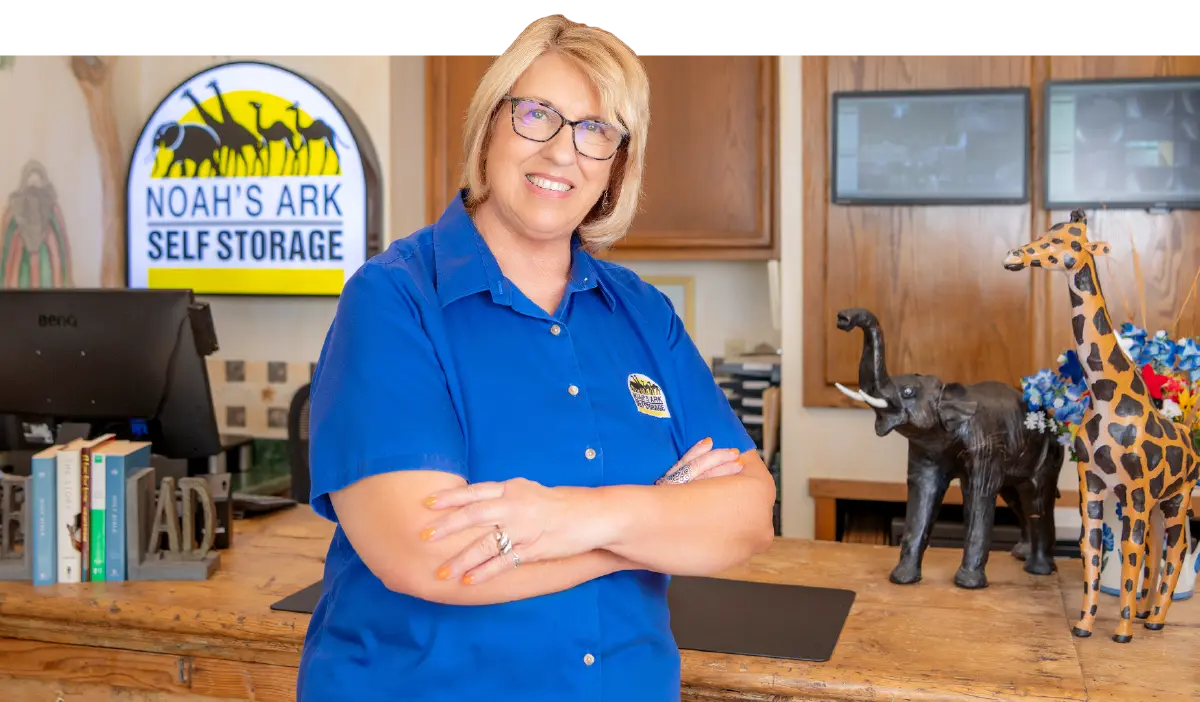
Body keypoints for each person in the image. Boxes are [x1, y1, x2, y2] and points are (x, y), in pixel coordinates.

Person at [296, 14, 777, 701]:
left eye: (595, 131)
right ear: (490, 126)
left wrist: (573, 518)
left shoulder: (643, 314)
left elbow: (749, 513)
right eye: (537, 115)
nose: (562, 152)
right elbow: (425, 554)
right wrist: (651, 526)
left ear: (616, 164)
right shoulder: (393, 300)